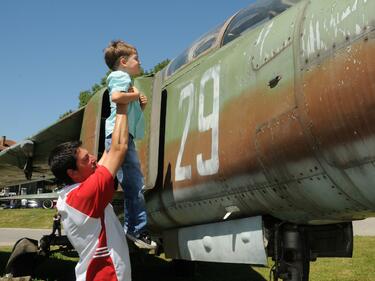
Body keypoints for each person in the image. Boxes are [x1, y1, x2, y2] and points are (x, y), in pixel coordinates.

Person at [49, 102, 131, 281]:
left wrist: (124, 115)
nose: (94, 158)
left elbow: (108, 154)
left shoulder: (72, 195)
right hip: (107, 276)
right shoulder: (86, 194)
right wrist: (123, 106)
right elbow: (119, 149)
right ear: (73, 173)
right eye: (86, 159)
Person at [103, 40, 155, 249]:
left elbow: (127, 115)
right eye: (137, 58)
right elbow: (116, 98)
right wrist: (134, 96)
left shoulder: (126, 80)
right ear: (123, 61)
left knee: (133, 184)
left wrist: (139, 106)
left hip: (123, 136)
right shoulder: (120, 76)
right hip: (119, 137)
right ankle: (137, 230)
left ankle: (131, 229)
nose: (140, 62)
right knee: (135, 184)